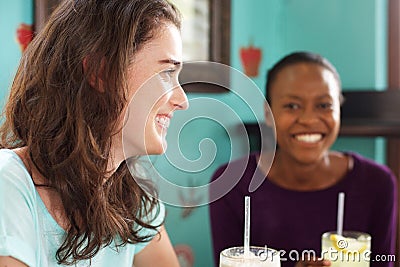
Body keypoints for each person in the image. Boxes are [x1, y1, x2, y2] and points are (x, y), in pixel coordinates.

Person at [0, 0, 188, 266]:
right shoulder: (8, 184)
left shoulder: (134, 197)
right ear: (102, 74)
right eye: (167, 72)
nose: (182, 100)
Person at [209, 51, 397, 267]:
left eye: (324, 105)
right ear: (269, 113)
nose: (308, 120)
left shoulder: (377, 183)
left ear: (339, 111)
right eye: (292, 105)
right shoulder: (232, 182)